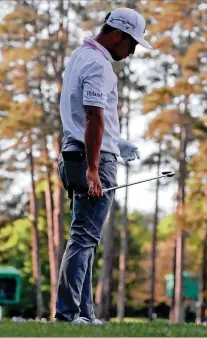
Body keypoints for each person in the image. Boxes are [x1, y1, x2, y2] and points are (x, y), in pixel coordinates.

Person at [55, 8, 152, 324]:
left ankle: (84, 313)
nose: (132, 51)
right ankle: (68, 314)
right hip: (90, 159)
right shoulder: (100, 65)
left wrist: (116, 141)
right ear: (116, 35)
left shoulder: (80, 57)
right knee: (83, 237)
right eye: (132, 44)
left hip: (74, 154)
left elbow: (89, 116)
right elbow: (94, 117)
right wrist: (94, 168)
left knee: (86, 236)